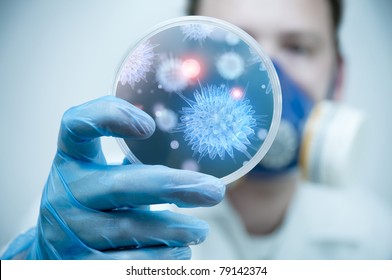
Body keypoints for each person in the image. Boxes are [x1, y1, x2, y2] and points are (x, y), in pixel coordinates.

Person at [1, 0, 392, 260]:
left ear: (337, 80)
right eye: (237, 46)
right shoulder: (94, 212)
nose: (268, 76)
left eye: (299, 47)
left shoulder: (376, 237)